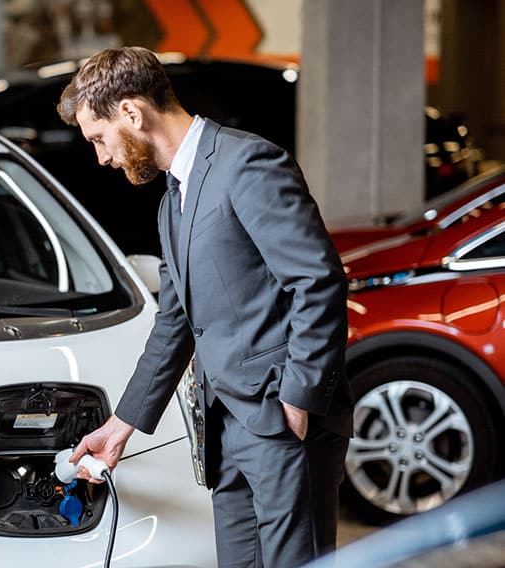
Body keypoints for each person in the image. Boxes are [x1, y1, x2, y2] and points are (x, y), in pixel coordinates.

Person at [58, 47, 352, 567]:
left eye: (99, 139)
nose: (102, 157)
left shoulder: (250, 164)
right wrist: (120, 425)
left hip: (281, 422)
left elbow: (319, 282)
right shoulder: (173, 199)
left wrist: (299, 399)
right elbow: (175, 322)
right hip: (225, 430)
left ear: (131, 112)